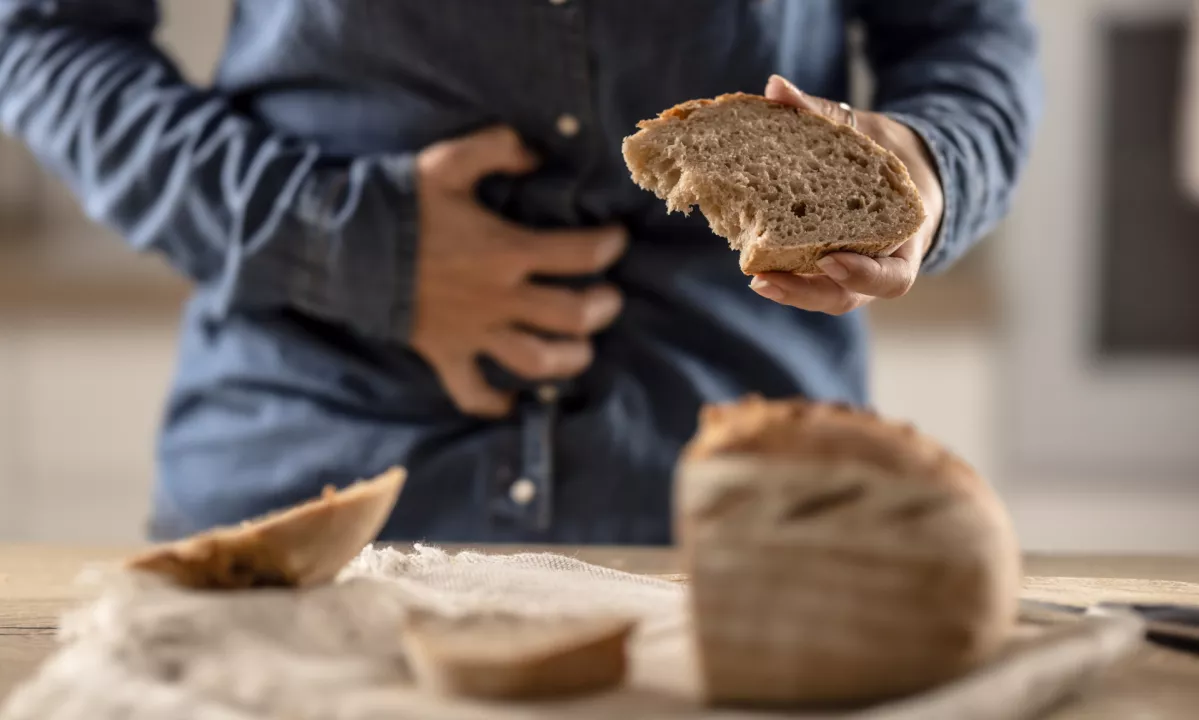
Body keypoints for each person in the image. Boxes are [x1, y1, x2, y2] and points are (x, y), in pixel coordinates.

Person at [0, 1, 1040, 544]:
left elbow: (966, 29)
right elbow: (47, 37)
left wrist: (929, 168)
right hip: (307, 479)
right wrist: (345, 241)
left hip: (751, 521)